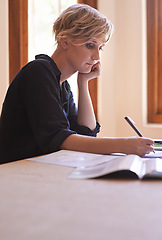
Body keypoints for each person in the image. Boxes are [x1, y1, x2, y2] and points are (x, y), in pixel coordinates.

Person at [0, 4, 154, 164]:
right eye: (90, 45)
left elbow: (85, 135)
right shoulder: (38, 72)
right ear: (64, 41)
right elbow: (58, 139)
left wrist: (83, 82)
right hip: (15, 175)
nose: (97, 57)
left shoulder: (62, 84)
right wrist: (123, 145)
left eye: (100, 48)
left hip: (38, 172)